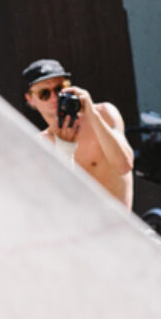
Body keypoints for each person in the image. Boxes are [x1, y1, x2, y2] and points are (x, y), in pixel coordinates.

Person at [22, 58, 135, 207]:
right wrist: (65, 150)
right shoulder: (40, 143)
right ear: (30, 100)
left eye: (59, 89)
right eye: (44, 94)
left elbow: (124, 165)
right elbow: (57, 202)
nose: (54, 98)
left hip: (120, 227)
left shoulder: (103, 114)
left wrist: (92, 113)